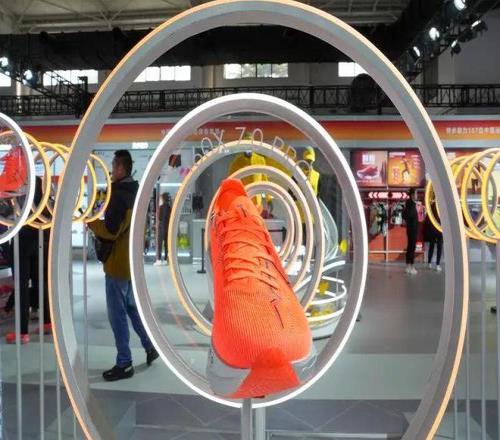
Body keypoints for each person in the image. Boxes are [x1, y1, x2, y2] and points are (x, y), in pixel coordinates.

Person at [88, 150, 158, 381]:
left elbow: (111, 231)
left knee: (117, 315)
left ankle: (124, 363)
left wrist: (92, 223)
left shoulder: (119, 196)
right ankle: (150, 346)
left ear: (120, 168)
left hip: (117, 264)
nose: (111, 169)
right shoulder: (135, 192)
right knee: (131, 308)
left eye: (113, 165)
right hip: (131, 263)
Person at [403, 188, 419, 275]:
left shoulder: (410, 204)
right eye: (416, 193)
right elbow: (409, 215)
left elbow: (406, 215)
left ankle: (408, 266)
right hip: (412, 229)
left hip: (411, 228)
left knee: (410, 247)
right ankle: (411, 267)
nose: (417, 195)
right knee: (412, 247)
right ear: (412, 195)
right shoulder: (411, 204)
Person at [154, 192, 171, 266]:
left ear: (163, 198)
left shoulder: (161, 207)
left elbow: (160, 217)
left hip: (161, 227)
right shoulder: (169, 207)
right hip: (167, 227)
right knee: (166, 244)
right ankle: (166, 259)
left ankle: (159, 259)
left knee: (159, 244)